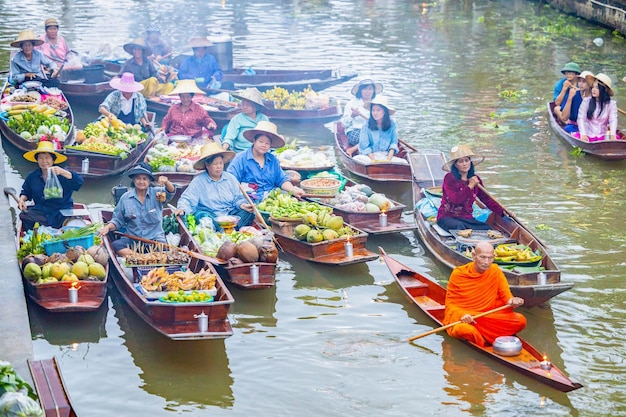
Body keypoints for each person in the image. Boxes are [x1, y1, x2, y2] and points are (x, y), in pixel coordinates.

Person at [444, 241, 526, 347]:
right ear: (474, 256)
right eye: (482, 257)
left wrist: (512, 301)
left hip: (486, 317)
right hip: (468, 318)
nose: (486, 262)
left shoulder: (495, 271)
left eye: (490, 258)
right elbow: (451, 305)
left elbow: (506, 296)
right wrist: (462, 315)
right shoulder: (459, 274)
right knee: (464, 330)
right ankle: (482, 342)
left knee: (520, 321)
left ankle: (484, 336)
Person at [98, 163, 175, 256]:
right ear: (133, 179)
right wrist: (107, 227)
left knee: (164, 251)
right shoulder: (126, 198)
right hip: (132, 239)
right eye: (138, 178)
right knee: (116, 245)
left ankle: (142, 258)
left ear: (150, 180)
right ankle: (139, 257)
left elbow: (170, 192)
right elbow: (117, 220)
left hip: (154, 239)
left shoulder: (157, 194)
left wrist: (166, 182)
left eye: (144, 178)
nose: (141, 181)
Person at [175, 142, 255, 230]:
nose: (219, 167)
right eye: (215, 164)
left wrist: (242, 204)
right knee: (201, 215)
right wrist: (182, 209)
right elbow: (187, 199)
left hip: (230, 215)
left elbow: (238, 198)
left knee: (248, 213)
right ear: (207, 165)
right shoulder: (199, 181)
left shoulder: (230, 178)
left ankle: (229, 231)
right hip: (212, 216)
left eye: (221, 163)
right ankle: (228, 231)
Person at [227, 121, 305, 201]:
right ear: (254, 141)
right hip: (248, 199)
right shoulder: (240, 159)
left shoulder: (272, 160)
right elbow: (231, 182)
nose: (264, 145)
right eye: (261, 141)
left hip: (271, 198)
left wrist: (293, 190)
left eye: (267, 143)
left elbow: (281, 179)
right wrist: (240, 202)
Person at [18, 141, 84, 231]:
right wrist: (22, 200)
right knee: (24, 215)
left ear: (53, 160)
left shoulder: (61, 173)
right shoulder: (32, 176)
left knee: (68, 222)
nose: (44, 161)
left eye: (47, 158)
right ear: (37, 160)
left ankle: (49, 229)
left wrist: (63, 172)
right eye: (40, 158)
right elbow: (26, 191)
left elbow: (79, 182)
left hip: (61, 212)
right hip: (42, 211)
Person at [436, 145, 504, 232]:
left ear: (470, 162)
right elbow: (455, 199)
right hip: (447, 217)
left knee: (488, 229)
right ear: (455, 165)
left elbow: (486, 199)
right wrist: (470, 186)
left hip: (467, 218)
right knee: (459, 227)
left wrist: (502, 212)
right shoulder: (449, 178)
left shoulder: (475, 179)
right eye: (460, 161)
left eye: (466, 160)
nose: (464, 164)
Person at [341, 79, 383, 156]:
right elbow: (344, 124)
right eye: (365, 89)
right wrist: (352, 116)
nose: (368, 91)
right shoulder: (351, 104)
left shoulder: (378, 104)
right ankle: (352, 150)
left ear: (373, 91)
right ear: (360, 91)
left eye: (370, 89)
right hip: (355, 130)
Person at [221, 87, 269, 152]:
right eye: (243, 104)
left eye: (248, 105)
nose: (244, 107)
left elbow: (269, 136)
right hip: (241, 153)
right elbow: (229, 138)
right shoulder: (237, 119)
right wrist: (224, 148)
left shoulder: (264, 119)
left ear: (256, 107)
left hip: (261, 152)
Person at [576, 73, 619, 142]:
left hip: (603, 135)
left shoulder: (611, 104)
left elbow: (613, 120)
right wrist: (583, 134)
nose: (594, 90)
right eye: (593, 87)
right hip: (588, 135)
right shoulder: (586, 101)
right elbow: (581, 118)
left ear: (604, 90)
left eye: (597, 88)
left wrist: (612, 134)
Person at [358, 95, 402, 162]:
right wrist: (374, 161)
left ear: (384, 111)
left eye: (378, 110)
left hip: (386, 155)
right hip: (370, 156)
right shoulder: (366, 125)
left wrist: (388, 160)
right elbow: (364, 146)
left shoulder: (392, 124)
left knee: (403, 162)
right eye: (373, 110)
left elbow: (393, 143)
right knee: (357, 159)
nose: (375, 113)